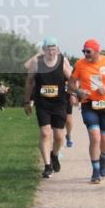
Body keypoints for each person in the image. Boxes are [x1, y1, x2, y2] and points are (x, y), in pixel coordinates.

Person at [69, 39, 105, 184]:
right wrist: (78, 91)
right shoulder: (79, 64)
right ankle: (95, 170)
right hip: (89, 104)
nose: (85, 54)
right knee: (95, 137)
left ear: (97, 51)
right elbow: (71, 83)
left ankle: (103, 158)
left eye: (88, 51)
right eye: (84, 51)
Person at [23, 38, 72, 178]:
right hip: (43, 104)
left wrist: (75, 92)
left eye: (53, 48)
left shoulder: (63, 61)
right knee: (45, 133)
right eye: (48, 48)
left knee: (59, 137)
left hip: (59, 103)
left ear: (57, 49)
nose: (51, 51)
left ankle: (54, 154)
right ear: (43, 50)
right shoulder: (36, 63)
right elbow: (29, 82)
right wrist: (27, 101)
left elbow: (72, 79)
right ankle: (47, 165)